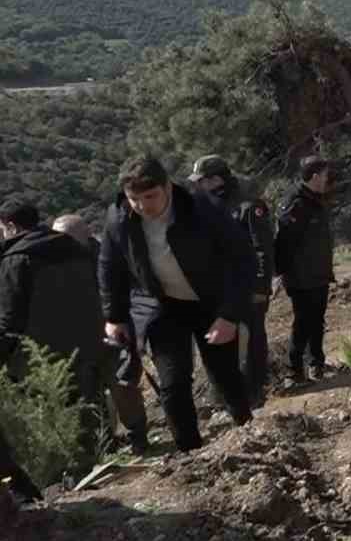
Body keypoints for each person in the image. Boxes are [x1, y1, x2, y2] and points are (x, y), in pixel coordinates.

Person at [99, 155, 255, 452]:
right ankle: (190, 453)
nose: (143, 206)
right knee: (172, 383)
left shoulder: (202, 209)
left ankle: (249, 434)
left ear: (168, 187)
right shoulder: (118, 219)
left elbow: (242, 261)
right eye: (135, 199)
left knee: (224, 374)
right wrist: (114, 316)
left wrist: (229, 315)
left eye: (150, 196)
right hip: (162, 305)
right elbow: (110, 266)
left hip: (210, 301)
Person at [0, 199, 105, 481]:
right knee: (84, 409)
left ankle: (59, 478)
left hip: (39, 355)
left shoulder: (16, 258)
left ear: (10, 226)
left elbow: (10, 317)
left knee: (47, 417)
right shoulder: (78, 249)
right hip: (86, 343)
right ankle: (90, 468)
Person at [53, 214, 149, 452]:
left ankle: (138, 436)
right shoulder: (55, 263)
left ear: (84, 234)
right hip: (80, 338)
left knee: (123, 386)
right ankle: (105, 442)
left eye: (65, 236)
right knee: (89, 393)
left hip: (115, 332)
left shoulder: (106, 258)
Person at [189, 155, 274, 408]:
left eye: (202, 180)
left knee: (252, 339)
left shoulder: (248, 206)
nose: (197, 185)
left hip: (248, 286)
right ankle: (226, 395)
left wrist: (260, 287)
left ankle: (255, 391)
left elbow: (262, 249)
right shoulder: (206, 208)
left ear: (217, 179)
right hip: (218, 290)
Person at [274, 157, 336, 383]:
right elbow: (284, 242)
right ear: (315, 176)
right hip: (301, 276)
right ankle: (294, 370)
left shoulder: (315, 199)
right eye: (325, 175)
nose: (328, 179)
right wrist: (281, 274)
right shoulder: (296, 203)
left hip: (318, 273)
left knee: (317, 320)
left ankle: (316, 363)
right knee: (303, 322)